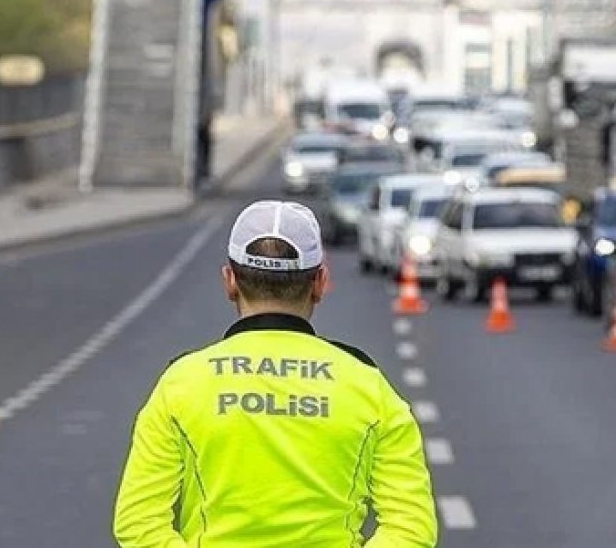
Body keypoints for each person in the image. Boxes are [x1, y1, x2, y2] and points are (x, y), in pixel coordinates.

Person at [114, 200, 438, 547]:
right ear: (320, 282)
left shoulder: (182, 383)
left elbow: (138, 522)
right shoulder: (368, 386)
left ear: (230, 281)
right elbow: (411, 527)